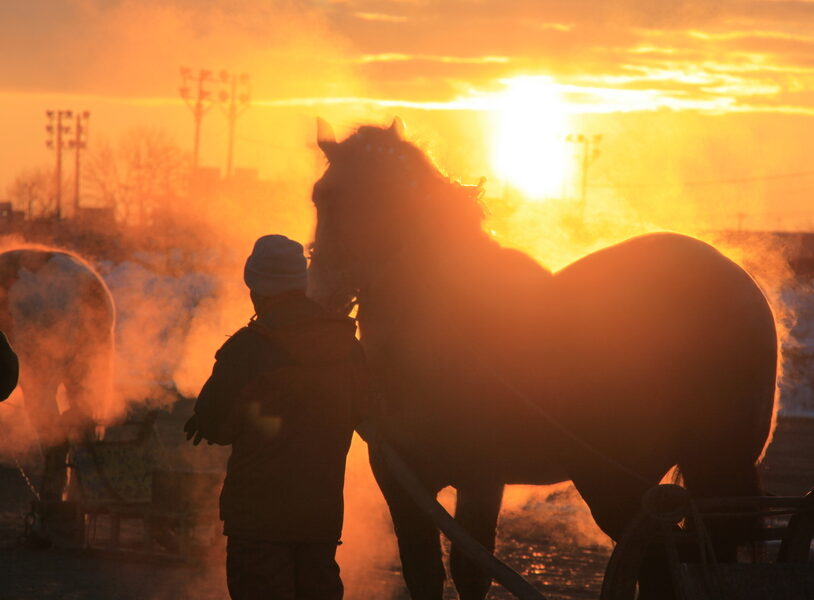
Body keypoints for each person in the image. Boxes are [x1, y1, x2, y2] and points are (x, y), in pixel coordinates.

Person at [184, 234, 370, 600]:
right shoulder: (347, 347)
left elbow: (216, 426)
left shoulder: (248, 350)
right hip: (321, 521)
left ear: (256, 290)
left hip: (258, 523)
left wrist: (209, 417)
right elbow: (366, 415)